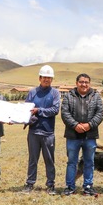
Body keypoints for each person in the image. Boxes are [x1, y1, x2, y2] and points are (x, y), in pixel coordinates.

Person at [61, 73, 103, 196]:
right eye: (81, 82)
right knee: (72, 162)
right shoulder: (69, 96)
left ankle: (88, 186)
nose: (84, 84)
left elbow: (100, 113)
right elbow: (65, 113)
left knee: (89, 162)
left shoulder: (96, 96)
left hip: (90, 136)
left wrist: (89, 125)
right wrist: (75, 125)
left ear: (89, 84)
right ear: (76, 83)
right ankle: (70, 186)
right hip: (72, 135)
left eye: (86, 82)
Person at [22, 65, 61, 195]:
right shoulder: (32, 92)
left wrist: (39, 111)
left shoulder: (55, 93)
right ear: (40, 78)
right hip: (34, 132)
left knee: (49, 160)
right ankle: (29, 183)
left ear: (52, 80)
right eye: (44, 77)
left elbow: (55, 110)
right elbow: (26, 110)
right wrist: (21, 119)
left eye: (49, 78)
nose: (47, 80)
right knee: (33, 159)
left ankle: (50, 184)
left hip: (48, 133)